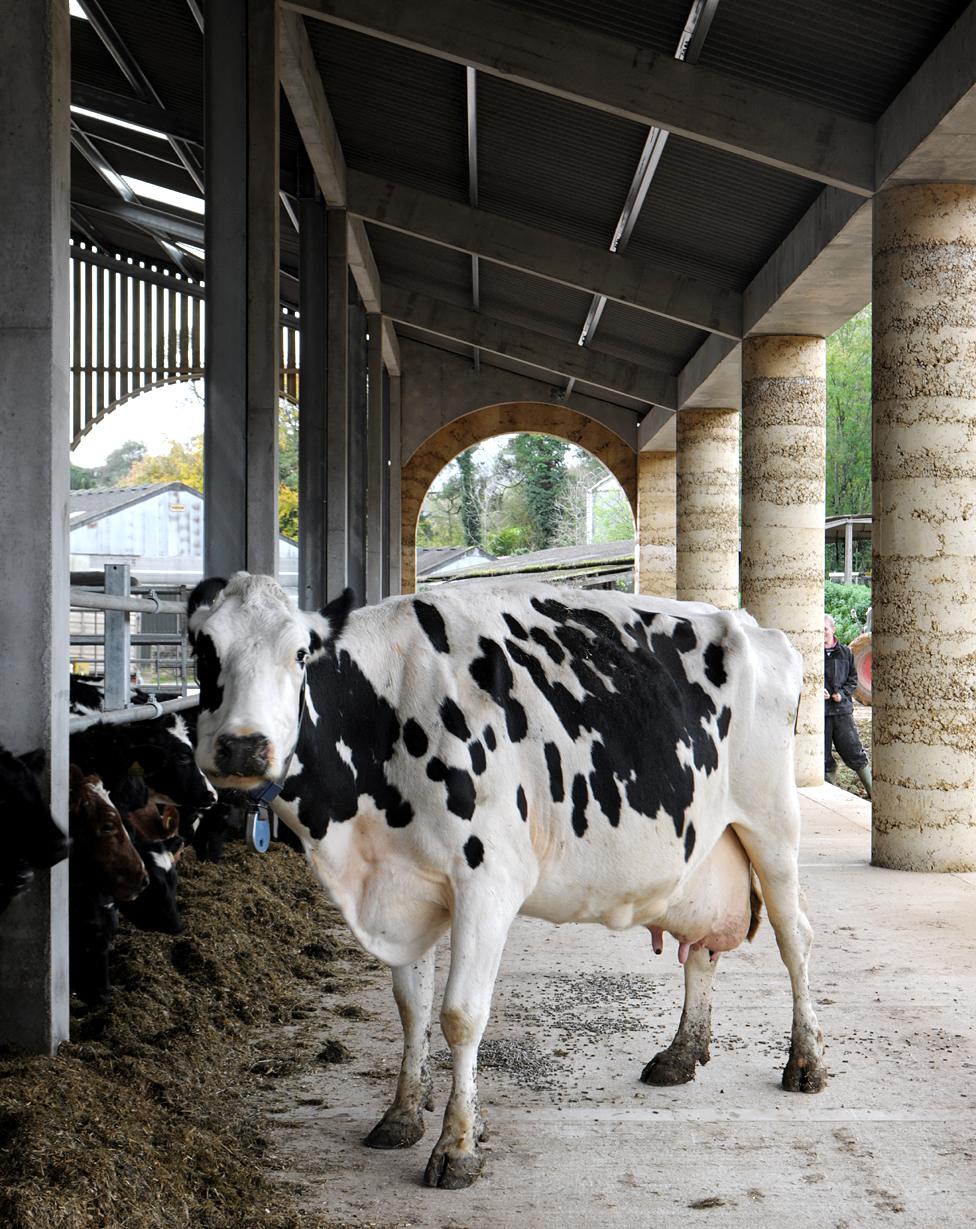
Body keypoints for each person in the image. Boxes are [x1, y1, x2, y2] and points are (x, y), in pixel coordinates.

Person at [823, 613, 871, 797]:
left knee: (854, 751)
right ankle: (832, 796)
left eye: (825, 629)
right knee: (823, 757)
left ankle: (873, 792)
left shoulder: (845, 652)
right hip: (822, 713)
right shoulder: (814, 654)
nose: (822, 633)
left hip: (842, 712)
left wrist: (841, 695)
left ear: (832, 629)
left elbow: (853, 679)